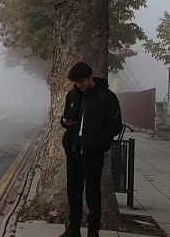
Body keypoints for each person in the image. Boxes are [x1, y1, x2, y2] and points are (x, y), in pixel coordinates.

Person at [59, 62, 122, 237]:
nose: (79, 85)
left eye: (82, 81)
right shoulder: (72, 95)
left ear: (91, 78)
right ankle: (74, 228)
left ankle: (93, 229)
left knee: (93, 192)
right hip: (74, 149)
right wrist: (65, 122)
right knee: (73, 190)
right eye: (77, 82)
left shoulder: (106, 97)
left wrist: (100, 141)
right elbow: (66, 117)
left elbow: (115, 124)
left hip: (93, 152)